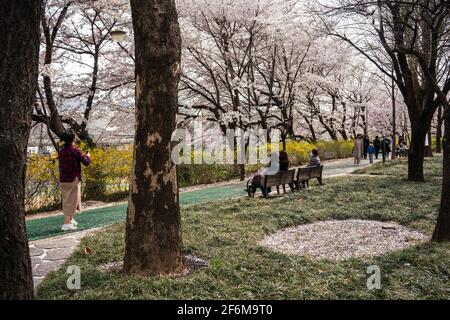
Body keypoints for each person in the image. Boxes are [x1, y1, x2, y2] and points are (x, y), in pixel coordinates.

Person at [58, 130, 91, 231]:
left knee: (70, 199)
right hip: (73, 179)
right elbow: (86, 162)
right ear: (73, 139)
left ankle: (71, 219)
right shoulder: (75, 150)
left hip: (63, 178)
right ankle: (66, 223)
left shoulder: (61, 150)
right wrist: (88, 156)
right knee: (71, 200)